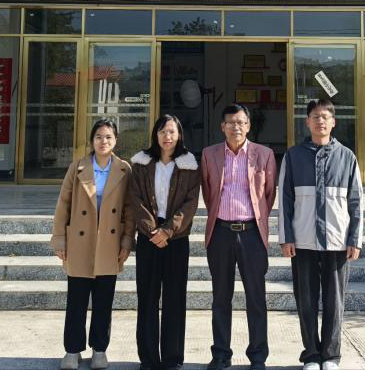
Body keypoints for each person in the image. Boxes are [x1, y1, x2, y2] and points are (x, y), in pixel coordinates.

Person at [278, 97, 363, 370]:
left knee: (335, 302)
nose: (320, 121)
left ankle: (331, 356)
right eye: (315, 116)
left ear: (333, 122)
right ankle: (312, 355)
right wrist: (286, 237)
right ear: (307, 122)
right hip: (303, 240)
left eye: (325, 116)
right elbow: (285, 199)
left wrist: (355, 239)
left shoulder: (347, 157)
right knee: (305, 300)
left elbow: (356, 202)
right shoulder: (293, 156)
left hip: (337, 241)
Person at [51, 118, 135, 370]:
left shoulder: (124, 169)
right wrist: (60, 239)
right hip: (80, 242)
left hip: (109, 243)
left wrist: (127, 241)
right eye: (99, 137)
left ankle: (99, 349)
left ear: (116, 140)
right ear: (92, 141)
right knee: (76, 300)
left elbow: (129, 210)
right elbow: (63, 205)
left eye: (108, 137)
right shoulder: (77, 167)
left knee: (103, 301)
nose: (103, 141)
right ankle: (72, 350)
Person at [200, 103, 277, 370]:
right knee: (221, 298)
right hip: (220, 233)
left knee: (256, 298)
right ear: (222, 126)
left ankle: (258, 356)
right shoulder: (209, 154)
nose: (236, 127)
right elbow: (208, 192)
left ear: (249, 125)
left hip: (252, 234)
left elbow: (269, 195)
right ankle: (221, 354)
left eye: (241, 122)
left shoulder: (264, 154)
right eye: (231, 122)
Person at [130, 114, 201, 370]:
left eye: (171, 131)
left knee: (174, 299)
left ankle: (172, 358)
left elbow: (191, 203)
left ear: (179, 134)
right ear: (155, 135)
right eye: (162, 131)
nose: (167, 136)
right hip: (148, 238)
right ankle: (148, 358)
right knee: (147, 298)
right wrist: (153, 231)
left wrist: (168, 230)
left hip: (177, 239)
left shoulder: (189, 164)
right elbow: (135, 198)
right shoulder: (141, 163)